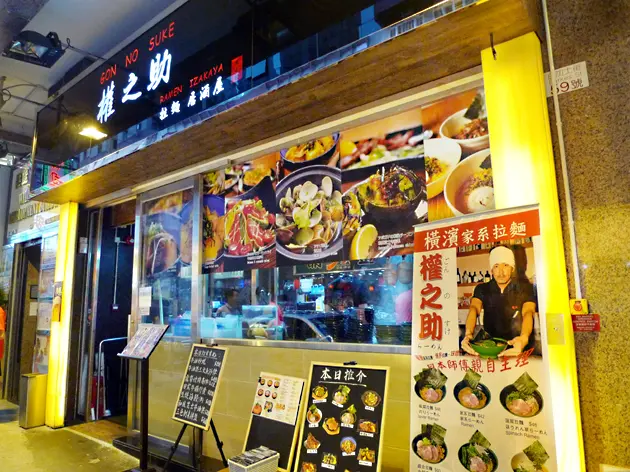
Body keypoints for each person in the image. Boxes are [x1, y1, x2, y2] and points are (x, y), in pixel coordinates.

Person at [461, 246, 536, 357]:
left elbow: (528, 312)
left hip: (517, 346)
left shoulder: (525, 288)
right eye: (496, 266)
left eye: (505, 265)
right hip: (490, 347)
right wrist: (468, 334)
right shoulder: (482, 289)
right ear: (491, 270)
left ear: (512, 268)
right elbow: (474, 308)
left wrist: (524, 338)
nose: (501, 272)